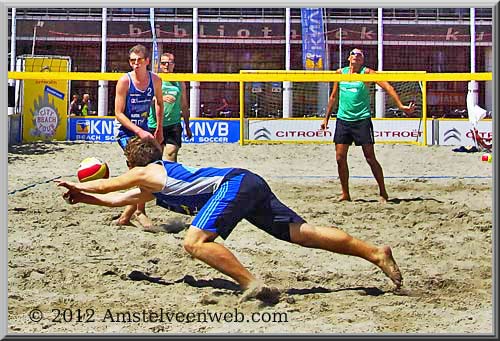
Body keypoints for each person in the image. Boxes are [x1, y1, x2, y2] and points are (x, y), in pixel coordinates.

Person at [56, 137, 403, 303]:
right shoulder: (156, 185)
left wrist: (78, 182)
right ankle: (375, 253)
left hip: (234, 185)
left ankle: (253, 284)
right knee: (302, 233)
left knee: (194, 242)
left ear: (135, 164)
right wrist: (83, 197)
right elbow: (117, 198)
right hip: (246, 181)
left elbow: (112, 183)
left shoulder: (149, 172)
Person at [321, 48, 416, 203]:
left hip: (362, 120)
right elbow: (333, 97)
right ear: (348, 58)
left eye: (359, 55)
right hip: (343, 120)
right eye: (353, 54)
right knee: (339, 157)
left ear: (362, 60)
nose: (356, 56)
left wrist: (401, 106)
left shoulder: (367, 73)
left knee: (370, 157)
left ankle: (383, 192)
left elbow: (387, 87)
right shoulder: (340, 73)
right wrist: (326, 119)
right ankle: (345, 194)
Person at [114, 44, 164, 230]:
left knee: (144, 172)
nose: (136, 64)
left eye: (139, 60)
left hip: (144, 130)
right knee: (141, 171)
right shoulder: (125, 81)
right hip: (125, 131)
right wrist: (139, 131)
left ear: (147, 61)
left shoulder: (155, 80)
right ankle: (138, 212)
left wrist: (159, 129)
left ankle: (127, 215)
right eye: (132, 61)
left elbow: (159, 103)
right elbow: (118, 113)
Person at [148, 52, 193, 162]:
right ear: (160, 65)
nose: (166, 65)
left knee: (171, 153)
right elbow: (146, 100)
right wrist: (160, 98)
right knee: (155, 158)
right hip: (155, 124)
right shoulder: (154, 79)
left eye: (169, 63)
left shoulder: (179, 81)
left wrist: (187, 126)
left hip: (173, 124)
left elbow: (184, 105)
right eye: (163, 63)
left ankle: (171, 178)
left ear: (174, 64)